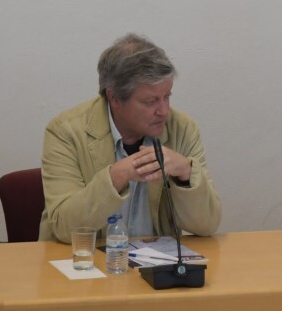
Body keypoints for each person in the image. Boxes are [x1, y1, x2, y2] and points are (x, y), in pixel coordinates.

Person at [39, 33, 221, 242]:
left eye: (167, 96)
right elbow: (65, 227)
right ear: (114, 98)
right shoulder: (65, 132)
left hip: (156, 259)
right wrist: (117, 176)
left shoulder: (182, 128)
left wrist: (186, 173)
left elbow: (207, 225)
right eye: (150, 101)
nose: (164, 111)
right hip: (86, 259)